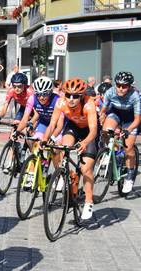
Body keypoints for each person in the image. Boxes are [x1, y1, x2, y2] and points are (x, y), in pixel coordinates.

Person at [42, 77, 98, 220]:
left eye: (75, 96)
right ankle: (63, 173)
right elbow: (52, 123)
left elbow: (93, 131)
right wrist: (45, 138)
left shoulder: (89, 104)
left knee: (85, 169)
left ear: (82, 96)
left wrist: (85, 143)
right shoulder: (61, 102)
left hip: (89, 133)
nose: (71, 99)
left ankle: (88, 201)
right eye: (68, 95)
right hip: (73, 127)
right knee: (61, 147)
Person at [99, 71, 139, 193]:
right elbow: (104, 109)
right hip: (116, 113)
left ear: (130, 86)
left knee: (128, 148)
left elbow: (138, 119)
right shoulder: (110, 91)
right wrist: (102, 116)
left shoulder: (135, 96)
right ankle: (109, 152)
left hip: (130, 119)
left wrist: (129, 130)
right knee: (106, 130)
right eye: (118, 85)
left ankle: (130, 176)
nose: (121, 88)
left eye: (124, 86)